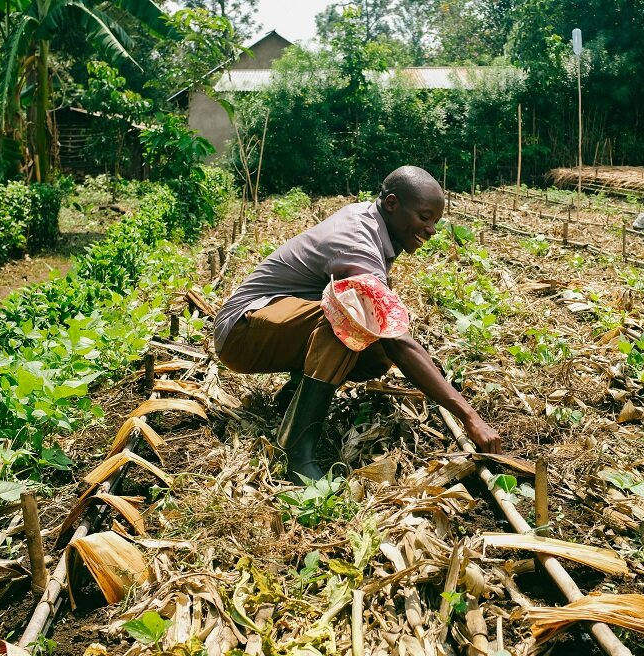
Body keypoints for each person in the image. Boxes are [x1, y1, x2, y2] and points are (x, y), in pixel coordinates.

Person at [213, 165, 502, 481]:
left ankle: (292, 402)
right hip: (241, 332)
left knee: (374, 353)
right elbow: (394, 337)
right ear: (391, 204)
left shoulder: (373, 222)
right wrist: (470, 416)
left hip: (265, 326)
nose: (431, 229)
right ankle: (296, 451)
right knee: (353, 321)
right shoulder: (357, 239)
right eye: (424, 217)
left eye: (435, 221)